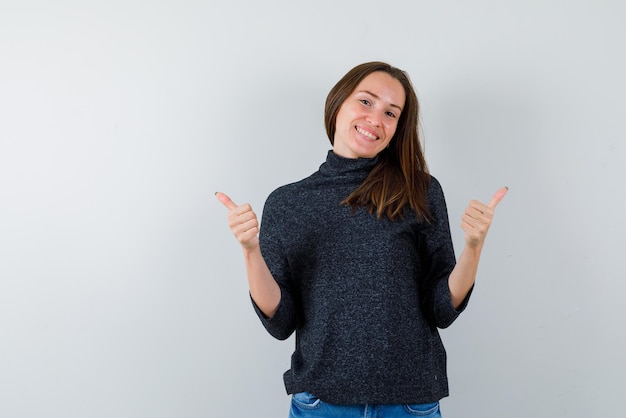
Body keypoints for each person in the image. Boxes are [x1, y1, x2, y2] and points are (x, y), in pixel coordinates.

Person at [216, 61, 507, 418]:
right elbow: (280, 322)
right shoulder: (288, 202)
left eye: (390, 113)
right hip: (321, 404)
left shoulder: (420, 191)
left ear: (398, 128)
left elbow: (442, 309)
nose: (375, 119)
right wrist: (250, 252)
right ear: (339, 102)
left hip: (409, 404)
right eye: (366, 102)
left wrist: (474, 248)